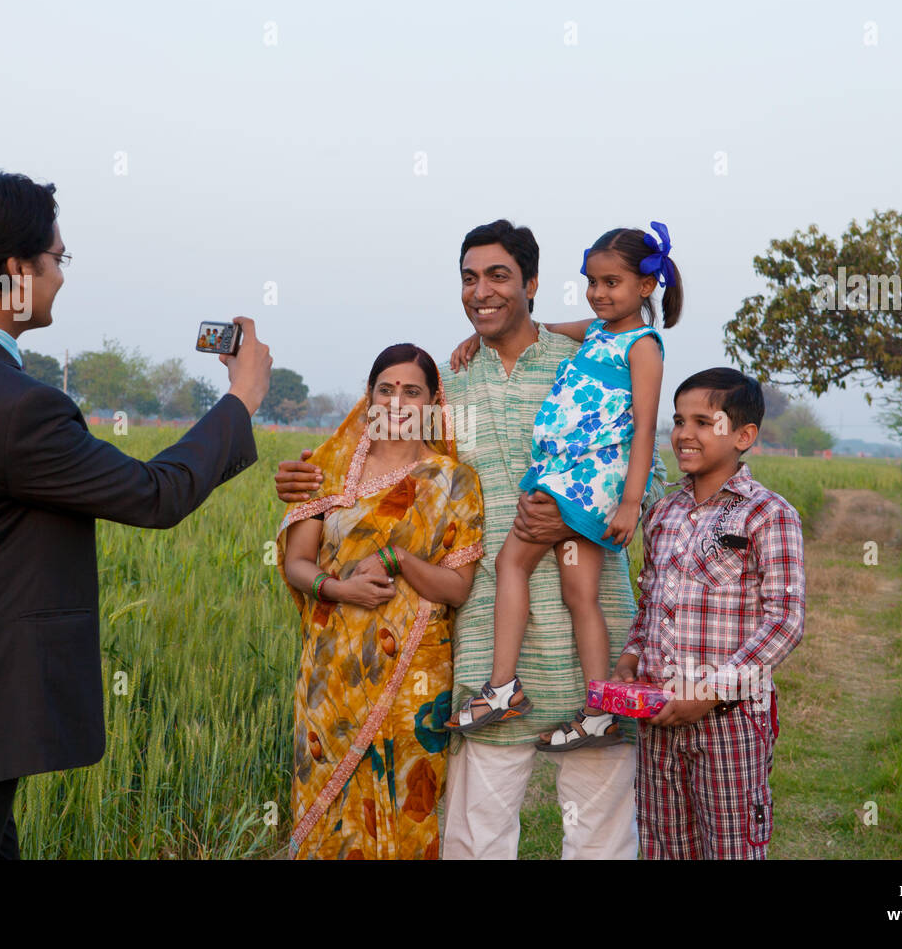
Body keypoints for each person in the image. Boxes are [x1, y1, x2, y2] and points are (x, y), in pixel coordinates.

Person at [0, 166, 272, 859]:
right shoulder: (16, 408)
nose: (63, 276)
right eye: (58, 258)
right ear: (15, 269)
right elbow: (154, 494)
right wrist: (240, 401)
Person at [275, 219, 664, 859]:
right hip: (487, 631)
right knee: (476, 829)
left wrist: (577, 518)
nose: (481, 291)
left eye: (498, 276)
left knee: (600, 826)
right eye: (469, 278)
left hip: (593, 609)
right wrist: (300, 480)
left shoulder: (593, 358)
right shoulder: (447, 385)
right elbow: (370, 462)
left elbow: (646, 476)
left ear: (533, 284)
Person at [443, 224, 681, 753]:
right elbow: (542, 324)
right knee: (582, 597)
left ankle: (504, 688)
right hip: (568, 496)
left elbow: (645, 432)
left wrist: (627, 502)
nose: (598, 294)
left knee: (512, 563)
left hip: (578, 487)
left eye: (611, 283)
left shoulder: (639, 348)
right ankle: (598, 710)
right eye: (592, 283)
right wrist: (480, 335)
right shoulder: (593, 333)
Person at [275, 344, 484, 859]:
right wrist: (340, 589)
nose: (396, 402)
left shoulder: (455, 480)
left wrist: (399, 559)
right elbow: (298, 563)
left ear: (433, 402)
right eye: (385, 389)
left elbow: (457, 589)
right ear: (368, 397)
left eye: (411, 392)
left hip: (416, 673)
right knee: (328, 799)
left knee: (410, 804)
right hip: (332, 670)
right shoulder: (326, 469)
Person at [613, 368, 805, 859]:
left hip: (731, 718)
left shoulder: (767, 514)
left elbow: (784, 620)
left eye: (704, 421)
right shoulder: (662, 513)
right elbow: (651, 599)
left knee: (730, 844)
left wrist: (714, 690)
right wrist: (632, 656)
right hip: (660, 712)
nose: (684, 434)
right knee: (661, 839)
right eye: (679, 421)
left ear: (743, 436)